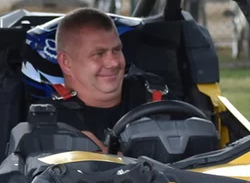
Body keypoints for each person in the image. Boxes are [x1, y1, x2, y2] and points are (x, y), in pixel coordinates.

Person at [51, 8, 167, 150]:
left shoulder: (154, 93)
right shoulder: (53, 118)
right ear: (66, 63)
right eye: (99, 54)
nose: (114, 63)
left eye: (116, 50)